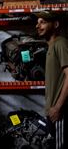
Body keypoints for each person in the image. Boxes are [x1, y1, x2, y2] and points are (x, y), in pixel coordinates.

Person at [35, 10, 68, 149]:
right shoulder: (51, 47)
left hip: (60, 112)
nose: (38, 26)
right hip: (52, 111)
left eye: (43, 22)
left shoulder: (61, 43)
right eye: (37, 23)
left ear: (55, 24)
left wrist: (58, 107)